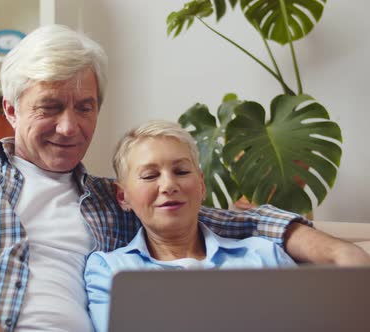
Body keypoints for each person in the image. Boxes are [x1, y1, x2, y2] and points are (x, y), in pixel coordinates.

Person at [0, 24, 370, 332]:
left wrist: (337, 252)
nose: (69, 126)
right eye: (50, 107)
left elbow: (222, 222)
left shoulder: (111, 198)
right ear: (12, 110)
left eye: (85, 107)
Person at [84, 120, 298, 332]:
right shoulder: (111, 270)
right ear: (123, 197)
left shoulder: (264, 256)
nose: (169, 185)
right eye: (150, 176)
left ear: (202, 185)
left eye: (182, 172)